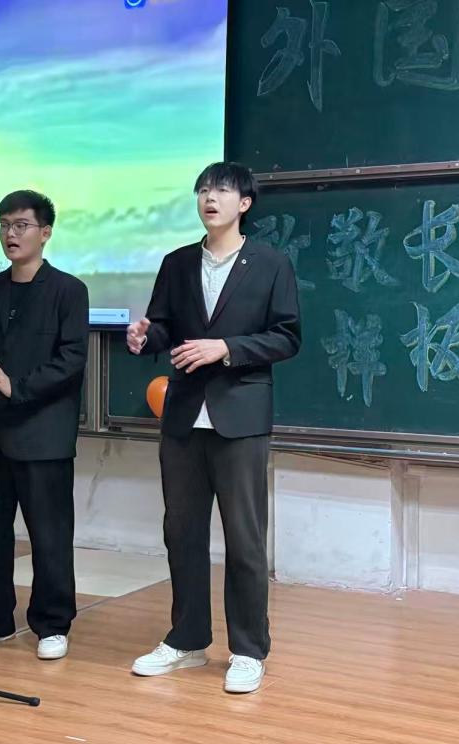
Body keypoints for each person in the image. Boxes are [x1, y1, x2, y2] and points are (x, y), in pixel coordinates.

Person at [127, 161, 301, 693]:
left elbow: (287, 336)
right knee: (181, 533)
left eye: (222, 190)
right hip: (183, 416)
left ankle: (248, 649)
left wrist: (226, 348)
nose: (210, 198)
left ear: (244, 203)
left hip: (240, 417)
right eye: (203, 189)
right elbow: (164, 327)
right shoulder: (177, 263)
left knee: (245, 540)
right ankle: (186, 638)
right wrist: (145, 337)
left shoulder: (270, 264)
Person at [0, 189, 89, 660]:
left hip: (44, 433)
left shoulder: (69, 291)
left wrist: (18, 387)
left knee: (49, 534)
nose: (11, 233)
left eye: (21, 225)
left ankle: (52, 623)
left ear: (45, 233)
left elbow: (72, 360)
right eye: (4, 225)